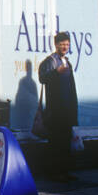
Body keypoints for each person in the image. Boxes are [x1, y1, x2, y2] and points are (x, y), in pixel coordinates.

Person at [37, 31, 78, 182]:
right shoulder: (49, 62)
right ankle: (55, 172)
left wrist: (74, 108)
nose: (65, 47)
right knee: (56, 142)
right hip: (55, 110)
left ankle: (65, 171)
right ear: (56, 45)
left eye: (67, 44)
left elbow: (72, 87)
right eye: (62, 44)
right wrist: (56, 72)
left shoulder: (68, 62)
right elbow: (42, 79)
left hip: (67, 109)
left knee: (66, 142)